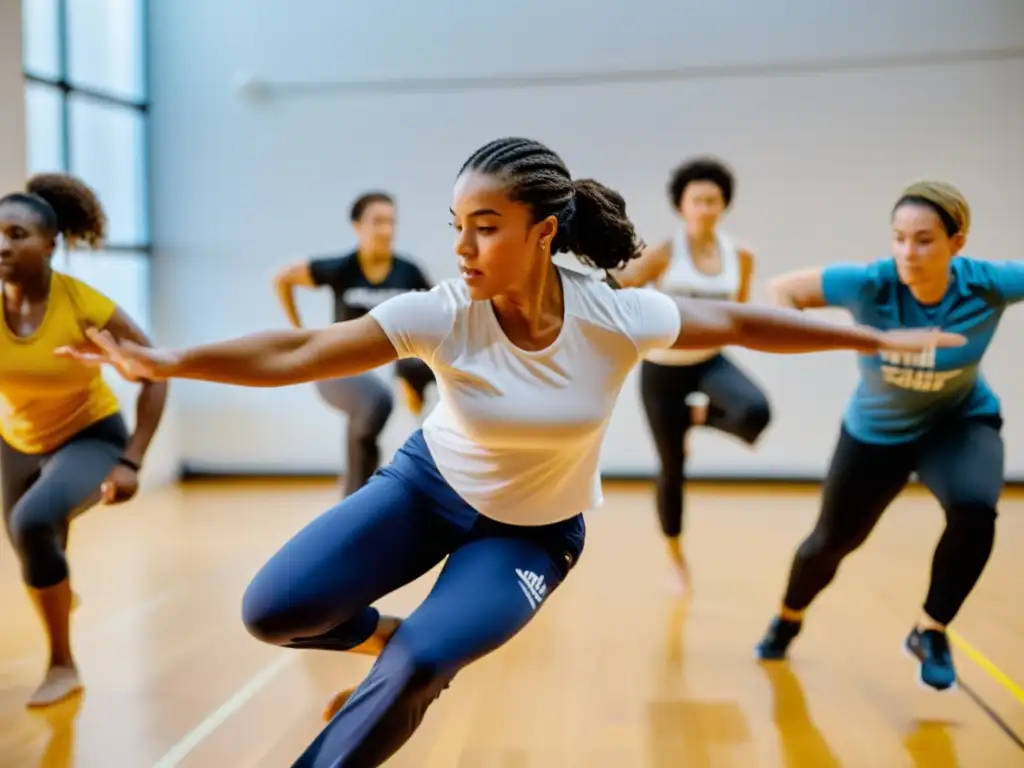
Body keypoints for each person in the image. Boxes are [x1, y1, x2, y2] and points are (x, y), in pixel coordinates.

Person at [60, 139, 963, 767]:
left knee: (416, 674)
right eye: (455, 223)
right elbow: (298, 352)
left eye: (483, 225)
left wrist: (869, 340)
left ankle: (404, 665)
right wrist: (167, 358)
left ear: (543, 231)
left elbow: (738, 321)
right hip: (425, 488)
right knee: (273, 610)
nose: (462, 246)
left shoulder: (613, 313)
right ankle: (403, 633)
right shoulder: (443, 307)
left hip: (530, 535)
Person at [754, 181, 1023, 692]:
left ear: (956, 242)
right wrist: (858, 339)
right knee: (829, 545)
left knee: (975, 507)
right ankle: (788, 617)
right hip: (875, 433)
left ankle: (931, 629)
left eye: (923, 240)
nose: (907, 252)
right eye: (898, 238)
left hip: (959, 422)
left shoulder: (987, 284)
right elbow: (784, 291)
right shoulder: (870, 284)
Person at [0, 173, 168, 708]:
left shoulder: (83, 306)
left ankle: (62, 665)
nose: (2, 244)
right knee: (34, 547)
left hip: (89, 435)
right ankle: (59, 589)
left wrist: (132, 461)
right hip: (15, 440)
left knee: (32, 522)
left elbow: (155, 372)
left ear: (50, 245)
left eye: (16, 234)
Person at [615, 157, 771, 594]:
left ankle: (694, 419)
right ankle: (676, 557)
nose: (705, 207)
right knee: (672, 468)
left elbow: (737, 312)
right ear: (681, 206)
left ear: (724, 205)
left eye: (712, 200)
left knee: (755, 413)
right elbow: (617, 288)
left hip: (708, 362)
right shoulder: (663, 253)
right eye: (696, 200)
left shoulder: (739, 254)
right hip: (662, 370)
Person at [273, 191, 436, 497]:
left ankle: (372, 488)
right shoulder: (342, 268)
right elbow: (283, 278)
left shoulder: (409, 272)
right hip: (339, 365)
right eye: (377, 222)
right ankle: (355, 496)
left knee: (406, 379)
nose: (386, 230)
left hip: (391, 365)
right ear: (358, 226)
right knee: (374, 403)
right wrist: (299, 330)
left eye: (391, 222)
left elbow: (441, 313)